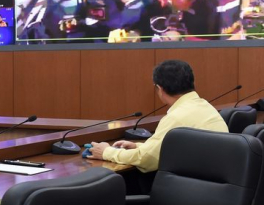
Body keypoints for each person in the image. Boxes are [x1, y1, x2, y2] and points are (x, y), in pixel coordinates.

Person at [87, 60, 227, 172]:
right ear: (192, 83)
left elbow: (147, 160)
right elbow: (178, 149)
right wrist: (140, 147)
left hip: (190, 192)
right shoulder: (205, 106)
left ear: (160, 89)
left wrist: (106, 152)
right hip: (208, 187)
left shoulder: (177, 117)